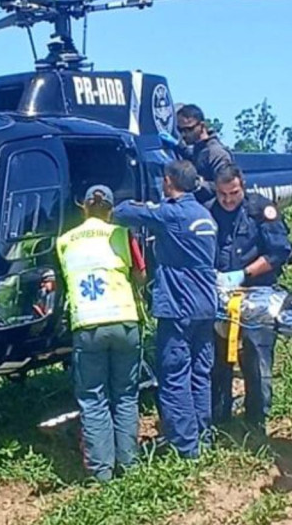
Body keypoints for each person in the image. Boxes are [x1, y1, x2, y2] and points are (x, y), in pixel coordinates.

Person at [112, 161, 219, 458]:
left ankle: (185, 446)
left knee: (174, 374)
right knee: (200, 372)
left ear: (170, 182)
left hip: (178, 305)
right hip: (205, 305)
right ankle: (203, 437)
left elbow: (123, 213)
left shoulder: (172, 213)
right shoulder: (205, 215)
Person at [56, 185, 145, 482]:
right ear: (110, 209)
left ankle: (101, 473)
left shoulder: (65, 241)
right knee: (125, 395)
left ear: (84, 208)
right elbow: (141, 274)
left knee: (93, 399)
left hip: (88, 325)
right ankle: (130, 466)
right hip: (124, 321)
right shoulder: (121, 234)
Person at [206, 165, 292, 430]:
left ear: (242, 184)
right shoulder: (209, 211)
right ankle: (219, 415)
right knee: (217, 358)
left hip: (258, 292)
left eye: (233, 193)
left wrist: (243, 274)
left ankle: (256, 419)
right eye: (222, 194)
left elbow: (280, 252)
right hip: (221, 292)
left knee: (256, 355)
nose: (228, 200)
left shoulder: (260, 210)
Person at [175, 104, 234, 202]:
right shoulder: (199, 149)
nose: (184, 134)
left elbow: (227, 185)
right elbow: (194, 158)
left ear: (202, 126)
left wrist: (197, 184)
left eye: (189, 129)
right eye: (180, 130)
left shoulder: (216, 153)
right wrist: (178, 147)